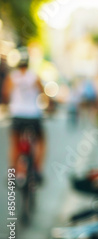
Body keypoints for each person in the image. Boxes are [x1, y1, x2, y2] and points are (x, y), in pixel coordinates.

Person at [2, 47, 45, 182]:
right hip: (33, 115)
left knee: (14, 144)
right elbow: (43, 93)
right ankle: (37, 169)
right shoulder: (34, 76)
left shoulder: (12, 77)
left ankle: (12, 173)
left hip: (17, 114)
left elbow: (6, 94)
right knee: (41, 141)